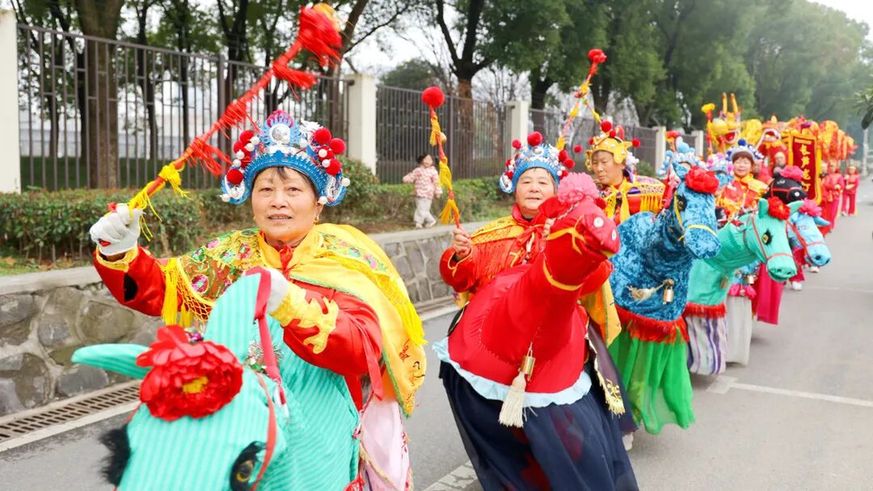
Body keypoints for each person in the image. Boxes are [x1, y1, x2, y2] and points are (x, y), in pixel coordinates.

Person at [88, 110, 425, 490]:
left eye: (293, 190)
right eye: (265, 190)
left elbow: (361, 347)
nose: (277, 202)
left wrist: (292, 304)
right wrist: (120, 252)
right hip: (236, 434)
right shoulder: (229, 255)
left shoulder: (346, 257)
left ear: (318, 202)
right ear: (250, 197)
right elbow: (164, 290)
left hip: (322, 440)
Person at [437, 131, 637, 490]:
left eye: (543, 181)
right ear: (513, 188)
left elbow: (596, 276)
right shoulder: (491, 234)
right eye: (525, 180)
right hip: (500, 339)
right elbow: (461, 280)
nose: (533, 186)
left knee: (576, 406)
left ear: (556, 189)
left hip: (557, 336)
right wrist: (462, 256)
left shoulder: (568, 227)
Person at [587, 121, 665, 224]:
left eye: (604, 162)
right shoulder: (591, 194)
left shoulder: (648, 189)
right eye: (595, 163)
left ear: (622, 163)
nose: (599, 168)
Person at [715, 139, 768, 222]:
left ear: (751, 166)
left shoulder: (761, 187)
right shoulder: (724, 184)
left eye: (746, 163)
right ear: (732, 164)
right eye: (738, 162)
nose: (741, 166)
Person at [402, 153, 442, 228]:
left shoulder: (433, 172)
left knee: (422, 208)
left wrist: (438, 192)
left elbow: (437, 182)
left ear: (432, 162)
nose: (428, 161)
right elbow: (412, 176)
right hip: (419, 192)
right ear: (421, 160)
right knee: (422, 208)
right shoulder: (418, 170)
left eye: (430, 159)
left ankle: (419, 222)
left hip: (428, 193)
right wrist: (406, 179)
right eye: (426, 159)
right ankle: (430, 221)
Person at [820, 162, 844, 235]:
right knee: (824, 213)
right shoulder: (823, 175)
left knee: (832, 213)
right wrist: (833, 186)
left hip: (833, 197)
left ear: (836, 167)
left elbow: (841, 186)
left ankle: (830, 226)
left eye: (833, 166)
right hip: (823, 197)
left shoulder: (839, 176)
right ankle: (825, 226)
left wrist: (834, 187)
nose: (831, 168)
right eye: (829, 166)